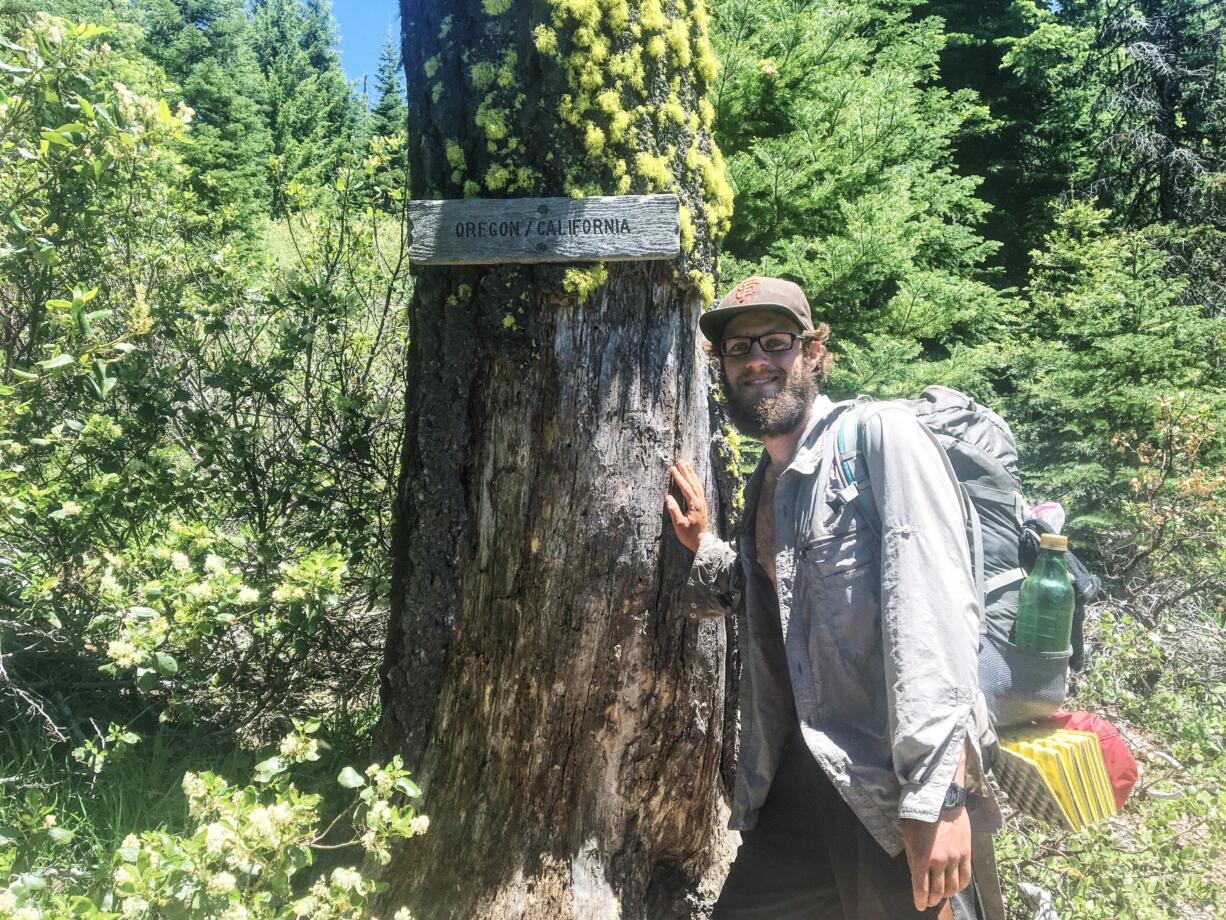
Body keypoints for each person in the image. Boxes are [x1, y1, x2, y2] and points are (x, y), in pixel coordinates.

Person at [665, 277, 1002, 919]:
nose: (756, 360)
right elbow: (786, 610)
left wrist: (940, 801)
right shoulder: (768, 483)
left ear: (814, 353)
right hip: (799, 782)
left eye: (777, 342)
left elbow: (933, 618)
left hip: (891, 793)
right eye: (739, 349)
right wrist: (707, 546)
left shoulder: (881, 440)